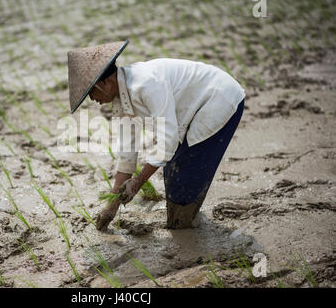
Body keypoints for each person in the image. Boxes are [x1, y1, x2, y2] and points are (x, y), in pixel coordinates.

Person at [67, 40, 245, 231]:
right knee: (171, 172)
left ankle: (185, 229)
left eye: (91, 92)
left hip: (219, 100)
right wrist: (111, 207)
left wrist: (138, 182)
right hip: (193, 111)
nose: (93, 99)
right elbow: (127, 153)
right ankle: (184, 219)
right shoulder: (121, 98)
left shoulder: (146, 83)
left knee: (183, 177)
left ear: (105, 82)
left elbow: (167, 140)